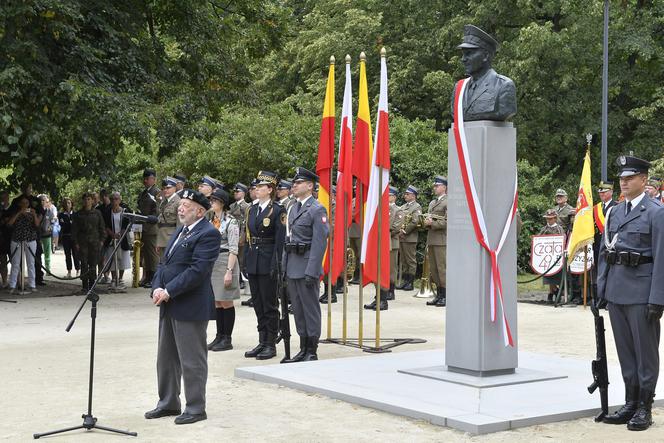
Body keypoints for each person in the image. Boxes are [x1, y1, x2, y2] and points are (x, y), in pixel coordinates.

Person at [596, 156, 664, 431]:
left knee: (645, 353)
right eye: (621, 178)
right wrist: (602, 289)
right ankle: (630, 402)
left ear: (644, 180)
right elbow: (605, 253)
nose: (623, 183)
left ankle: (645, 408)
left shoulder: (656, 212)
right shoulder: (614, 212)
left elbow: (661, 258)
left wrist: (658, 298)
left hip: (642, 292)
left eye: (630, 178)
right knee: (625, 351)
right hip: (617, 290)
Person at [145, 189, 220, 425]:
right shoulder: (181, 230)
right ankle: (168, 402)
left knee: (191, 359)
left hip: (190, 304)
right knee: (166, 357)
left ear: (200, 210)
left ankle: (196, 407)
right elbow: (164, 263)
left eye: (186, 205)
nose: (180, 208)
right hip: (169, 302)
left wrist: (169, 291)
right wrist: (157, 287)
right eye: (180, 204)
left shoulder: (208, 233)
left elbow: (197, 271)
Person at [282, 167, 329, 363]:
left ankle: (312, 349)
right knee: (298, 309)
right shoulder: (293, 207)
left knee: (310, 309)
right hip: (293, 265)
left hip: (307, 265)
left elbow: (319, 243)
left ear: (310, 186)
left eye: (299, 182)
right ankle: (302, 347)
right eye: (294, 182)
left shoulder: (317, 209)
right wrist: (284, 267)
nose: (294, 185)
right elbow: (288, 239)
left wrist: (312, 270)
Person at [243, 171, 286, 361]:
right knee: (258, 303)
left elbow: (280, 240)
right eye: (256, 187)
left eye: (261, 187)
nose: (257, 190)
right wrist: (246, 260)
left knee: (269, 303)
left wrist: (276, 264)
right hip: (254, 259)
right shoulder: (251, 210)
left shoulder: (277, 210)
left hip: (269, 259)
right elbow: (249, 237)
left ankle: (270, 343)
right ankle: (262, 340)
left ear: (270, 189)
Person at [452, 24, 517, 122]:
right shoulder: (459, 88)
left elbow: (505, 110)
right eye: (463, 54)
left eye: (469, 53)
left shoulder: (504, 85)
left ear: (485, 56)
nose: (463, 59)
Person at [207, 188, 240, 352]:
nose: (211, 203)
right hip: (214, 262)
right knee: (218, 302)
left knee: (226, 301)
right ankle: (219, 336)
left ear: (222, 203)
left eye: (214, 200)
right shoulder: (212, 220)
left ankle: (227, 338)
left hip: (226, 260)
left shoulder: (231, 221)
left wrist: (229, 271)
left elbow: (234, 248)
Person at [365, 186, 402, 310]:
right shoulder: (380, 208)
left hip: (387, 243)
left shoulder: (394, 210)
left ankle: (384, 299)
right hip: (378, 241)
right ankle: (378, 297)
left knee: (386, 271)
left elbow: (392, 226)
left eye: (390, 195)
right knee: (377, 271)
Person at [10, 183, 45, 286]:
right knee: (16, 262)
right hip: (17, 236)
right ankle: (17, 283)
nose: (27, 189)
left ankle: (37, 280)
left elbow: (41, 213)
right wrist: (20, 212)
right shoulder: (16, 201)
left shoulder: (36, 200)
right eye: (25, 187)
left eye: (29, 187)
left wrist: (36, 220)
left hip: (32, 234)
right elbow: (10, 218)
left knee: (35, 258)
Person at [72, 192, 106, 293]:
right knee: (84, 264)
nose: (87, 201)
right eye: (85, 199)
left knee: (93, 264)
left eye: (89, 199)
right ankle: (84, 286)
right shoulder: (78, 214)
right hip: (83, 243)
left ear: (92, 200)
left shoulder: (97, 213)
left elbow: (102, 228)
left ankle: (92, 285)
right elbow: (74, 230)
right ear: (83, 201)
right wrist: (76, 243)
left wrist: (102, 241)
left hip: (94, 243)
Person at [7, 195, 41, 293]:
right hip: (16, 240)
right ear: (19, 204)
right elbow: (9, 224)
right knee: (15, 263)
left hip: (30, 239)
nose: (24, 205)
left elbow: (37, 225)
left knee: (31, 263)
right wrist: (19, 213)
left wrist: (34, 215)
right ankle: (12, 285)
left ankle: (32, 285)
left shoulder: (32, 212)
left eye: (26, 203)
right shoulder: (15, 212)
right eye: (22, 203)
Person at [424, 176, 448, 307]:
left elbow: (447, 221)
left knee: (441, 268)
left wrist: (432, 223)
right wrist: (426, 223)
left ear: (444, 187)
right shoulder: (432, 203)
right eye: (434, 186)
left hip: (441, 239)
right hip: (432, 239)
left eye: (437, 186)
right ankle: (438, 294)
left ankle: (445, 295)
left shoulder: (448, 201)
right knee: (434, 269)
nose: (435, 188)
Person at [103, 192, 132, 289]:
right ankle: (114, 279)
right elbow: (106, 225)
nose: (114, 201)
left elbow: (128, 224)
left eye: (116, 199)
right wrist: (112, 234)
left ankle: (120, 279)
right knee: (112, 258)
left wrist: (121, 234)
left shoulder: (125, 211)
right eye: (112, 199)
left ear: (120, 200)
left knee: (122, 259)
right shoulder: (107, 211)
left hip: (122, 239)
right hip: (111, 238)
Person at [137, 168, 160, 288]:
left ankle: (155, 278)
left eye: (148, 178)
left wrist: (146, 223)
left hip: (151, 228)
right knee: (145, 255)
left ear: (154, 179)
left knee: (152, 255)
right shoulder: (144, 193)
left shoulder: (157, 193)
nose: (145, 181)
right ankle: (148, 277)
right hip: (143, 228)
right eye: (144, 179)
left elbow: (156, 212)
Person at [397, 185, 422, 291]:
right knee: (403, 260)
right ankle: (405, 280)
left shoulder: (417, 207)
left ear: (413, 195)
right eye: (405, 194)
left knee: (410, 260)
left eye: (407, 194)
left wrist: (405, 231)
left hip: (409, 237)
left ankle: (410, 282)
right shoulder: (403, 207)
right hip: (402, 237)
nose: (405, 196)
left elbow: (415, 221)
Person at [539, 209, 564, 303]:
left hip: (556, 256)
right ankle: (553, 291)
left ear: (555, 218)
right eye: (547, 219)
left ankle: (555, 291)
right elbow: (538, 239)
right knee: (548, 275)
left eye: (550, 218)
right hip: (546, 257)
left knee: (555, 275)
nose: (548, 220)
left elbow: (562, 239)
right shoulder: (544, 229)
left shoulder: (559, 229)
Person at [228, 183, 250, 292]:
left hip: (241, 237)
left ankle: (246, 286)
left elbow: (245, 223)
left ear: (244, 193)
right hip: (232, 236)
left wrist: (243, 237)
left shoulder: (246, 206)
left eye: (238, 191)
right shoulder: (232, 206)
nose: (235, 193)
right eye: (235, 192)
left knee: (242, 262)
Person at [156, 177, 181, 258]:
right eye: (164, 188)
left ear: (175, 188)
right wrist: (158, 242)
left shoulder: (178, 202)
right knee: (162, 265)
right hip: (162, 238)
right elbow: (161, 223)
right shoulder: (164, 202)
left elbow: (180, 224)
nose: (165, 190)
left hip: (172, 238)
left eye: (168, 188)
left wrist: (177, 241)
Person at [58, 197, 80, 278]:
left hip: (74, 237)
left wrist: (68, 223)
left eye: (69, 203)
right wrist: (69, 223)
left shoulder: (75, 214)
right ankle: (69, 272)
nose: (67, 204)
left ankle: (78, 270)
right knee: (67, 255)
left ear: (71, 204)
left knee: (76, 254)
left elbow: (75, 226)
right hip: (65, 237)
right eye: (66, 203)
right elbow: (63, 225)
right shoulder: (61, 215)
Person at [38, 195, 57, 273]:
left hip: (47, 234)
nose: (42, 202)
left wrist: (51, 227)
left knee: (47, 253)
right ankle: (38, 270)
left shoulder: (49, 211)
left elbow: (54, 220)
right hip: (38, 235)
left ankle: (48, 269)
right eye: (41, 200)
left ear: (46, 202)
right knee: (38, 254)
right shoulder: (36, 211)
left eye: (44, 200)